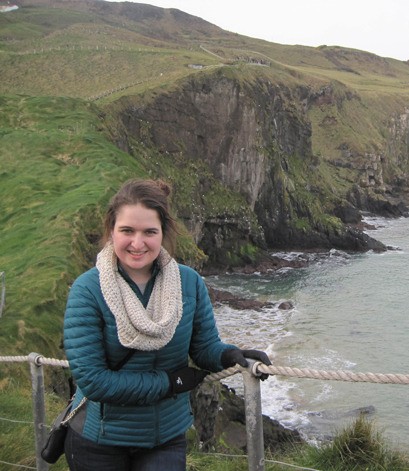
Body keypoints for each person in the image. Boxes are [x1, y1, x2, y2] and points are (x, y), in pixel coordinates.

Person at [63, 178, 271, 471]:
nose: (138, 243)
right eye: (127, 231)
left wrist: (231, 355)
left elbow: (203, 347)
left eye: (149, 231)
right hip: (100, 440)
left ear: (164, 232)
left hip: (166, 438)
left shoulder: (188, 283)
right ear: (111, 231)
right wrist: (170, 383)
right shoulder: (88, 290)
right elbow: (93, 380)